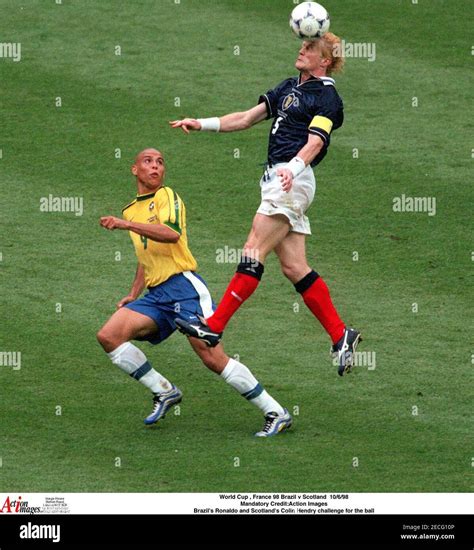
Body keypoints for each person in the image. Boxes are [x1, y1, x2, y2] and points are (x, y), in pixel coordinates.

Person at [170, 34, 361, 376]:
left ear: (325, 61)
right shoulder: (289, 86)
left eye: (309, 49)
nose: (301, 50)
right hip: (281, 179)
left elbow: (316, 142)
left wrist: (293, 168)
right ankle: (340, 334)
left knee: (252, 249)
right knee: (294, 267)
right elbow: (245, 118)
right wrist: (201, 124)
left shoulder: (328, 98)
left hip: (291, 178)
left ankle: (214, 325)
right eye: (302, 45)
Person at [97, 148, 292, 437]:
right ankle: (164, 391)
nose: (155, 167)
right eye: (148, 162)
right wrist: (134, 292)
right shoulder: (131, 210)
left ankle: (276, 412)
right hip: (155, 296)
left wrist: (125, 225)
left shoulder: (167, 196)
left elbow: (171, 233)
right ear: (134, 170)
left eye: (160, 162)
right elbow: (145, 253)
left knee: (213, 359)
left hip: (185, 289)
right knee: (109, 336)